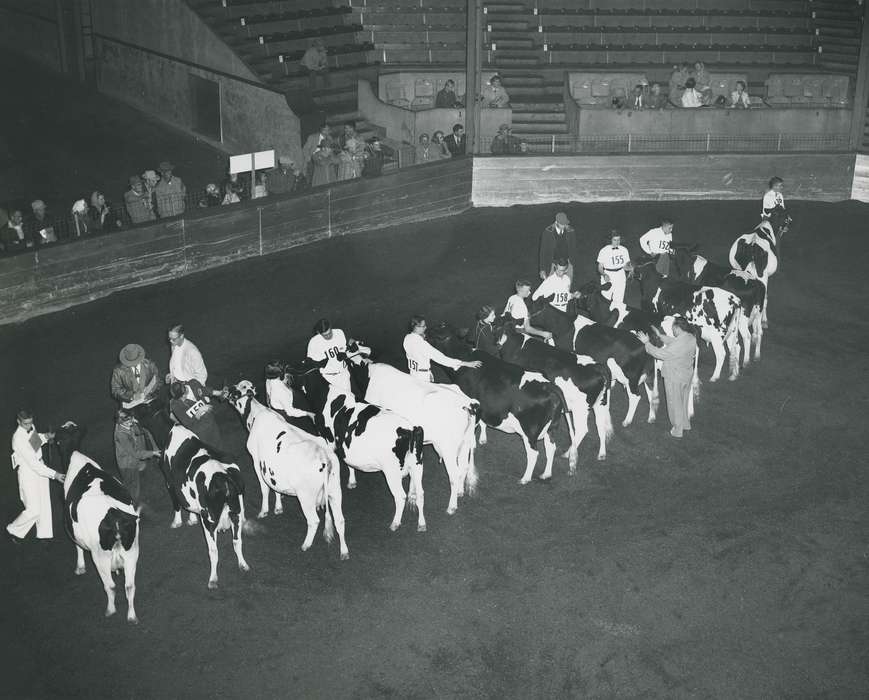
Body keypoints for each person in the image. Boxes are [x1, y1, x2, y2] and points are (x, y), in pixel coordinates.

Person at [7, 409, 64, 542]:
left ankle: (44, 534)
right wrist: (54, 474)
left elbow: (34, 442)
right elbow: (33, 464)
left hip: (40, 466)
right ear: (18, 422)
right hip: (29, 472)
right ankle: (13, 530)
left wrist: (45, 437)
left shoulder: (30, 427)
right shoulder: (18, 439)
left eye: (31, 423)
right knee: (33, 509)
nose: (29, 425)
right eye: (25, 424)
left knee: (44, 503)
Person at [636, 319, 698, 438]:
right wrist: (660, 335)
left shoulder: (678, 344)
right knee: (683, 401)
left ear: (677, 328)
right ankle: (685, 424)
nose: (672, 330)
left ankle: (677, 430)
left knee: (674, 403)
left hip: (674, 376)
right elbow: (674, 342)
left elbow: (660, 354)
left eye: (673, 328)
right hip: (686, 375)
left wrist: (647, 343)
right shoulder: (690, 337)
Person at [403, 315, 481, 381]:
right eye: (423, 326)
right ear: (416, 327)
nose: (426, 328)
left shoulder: (407, 338)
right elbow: (441, 358)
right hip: (423, 377)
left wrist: (420, 337)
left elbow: (416, 350)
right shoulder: (422, 345)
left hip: (413, 374)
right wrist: (466, 363)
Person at [114, 408, 160, 507]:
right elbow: (135, 453)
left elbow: (137, 432)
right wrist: (153, 453)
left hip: (131, 461)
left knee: (131, 484)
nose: (132, 421)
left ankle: (129, 500)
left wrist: (135, 423)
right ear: (122, 421)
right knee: (133, 486)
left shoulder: (124, 425)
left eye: (132, 418)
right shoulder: (121, 435)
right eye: (129, 420)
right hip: (128, 465)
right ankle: (133, 505)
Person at [168, 380, 225, 451]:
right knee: (210, 450)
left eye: (183, 395)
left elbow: (205, 390)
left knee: (219, 445)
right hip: (201, 431)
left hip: (211, 422)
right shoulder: (175, 405)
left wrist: (220, 393)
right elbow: (189, 423)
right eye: (180, 398)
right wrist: (200, 411)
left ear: (185, 387)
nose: (183, 398)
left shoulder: (193, 384)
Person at [306, 318, 355, 394]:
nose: (329, 336)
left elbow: (347, 344)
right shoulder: (314, 342)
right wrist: (318, 363)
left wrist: (345, 351)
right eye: (325, 335)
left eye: (330, 333)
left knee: (348, 398)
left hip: (343, 374)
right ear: (318, 333)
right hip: (328, 379)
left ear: (331, 327)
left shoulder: (339, 333)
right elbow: (309, 362)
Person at [539, 211, 578, 282]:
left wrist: (573, 263)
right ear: (556, 222)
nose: (564, 226)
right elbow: (543, 251)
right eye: (562, 224)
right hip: (552, 263)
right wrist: (542, 269)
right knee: (550, 285)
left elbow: (573, 248)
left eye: (565, 224)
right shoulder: (547, 232)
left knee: (567, 284)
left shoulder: (571, 230)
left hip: (567, 263)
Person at [597, 230, 631, 309]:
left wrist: (630, 268)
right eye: (615, 240)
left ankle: (617, 317)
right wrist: (604, 274)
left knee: (619, 300)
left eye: (618, 240)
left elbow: (626, 265)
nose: (617, 242)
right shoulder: (604, 250)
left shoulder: (624, 250)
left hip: (620, 275)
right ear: (610, 240)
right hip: (608, 274)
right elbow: (599, 267)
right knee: (605, 299)